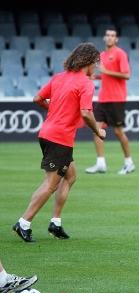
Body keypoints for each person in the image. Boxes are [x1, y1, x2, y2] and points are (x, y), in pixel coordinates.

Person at [13, 43, 106, 243]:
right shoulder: (86, 83)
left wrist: (54, 110)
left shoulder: (59, 77)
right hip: (59, 138)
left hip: (47, 133)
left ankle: (55, 222)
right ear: (88, 61)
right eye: (96, 62)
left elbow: (38, 98)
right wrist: (97, 131)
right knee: (50, 185)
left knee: (70, 176)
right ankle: (24, 222)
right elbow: (85, 113)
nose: (97, 66)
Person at [86, 27, 134, 175]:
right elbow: (105, 76)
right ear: (104, 38)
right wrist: (97, 77)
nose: (110, 37)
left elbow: (126, 75)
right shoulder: (102, 55)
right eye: (107, 35)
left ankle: (129, 162)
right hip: (103, 99)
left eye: (112, 35)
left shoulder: (120, 54)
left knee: (119, 132)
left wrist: (106, 72)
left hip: (116, 98)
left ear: (116, 39)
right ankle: (101, 163)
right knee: (97, 130)